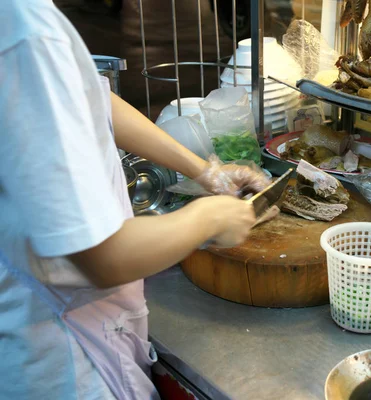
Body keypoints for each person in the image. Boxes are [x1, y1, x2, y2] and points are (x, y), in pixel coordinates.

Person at [0, 1, 270, 399]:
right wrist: (208, 218)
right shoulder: (24, 30)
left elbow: (92, 97)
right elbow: (102, 257)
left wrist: (205, 171)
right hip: (68, 362)